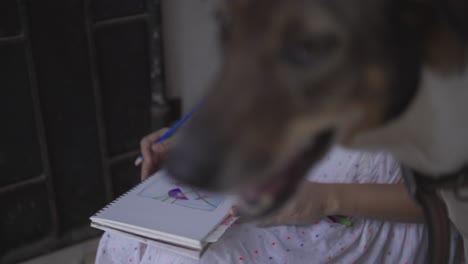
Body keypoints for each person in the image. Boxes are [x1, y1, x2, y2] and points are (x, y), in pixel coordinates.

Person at [95, 128, 462, 264]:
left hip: (356, 222)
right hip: (277, 193)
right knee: (130, 238)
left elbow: (432, 206)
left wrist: (323, 198)